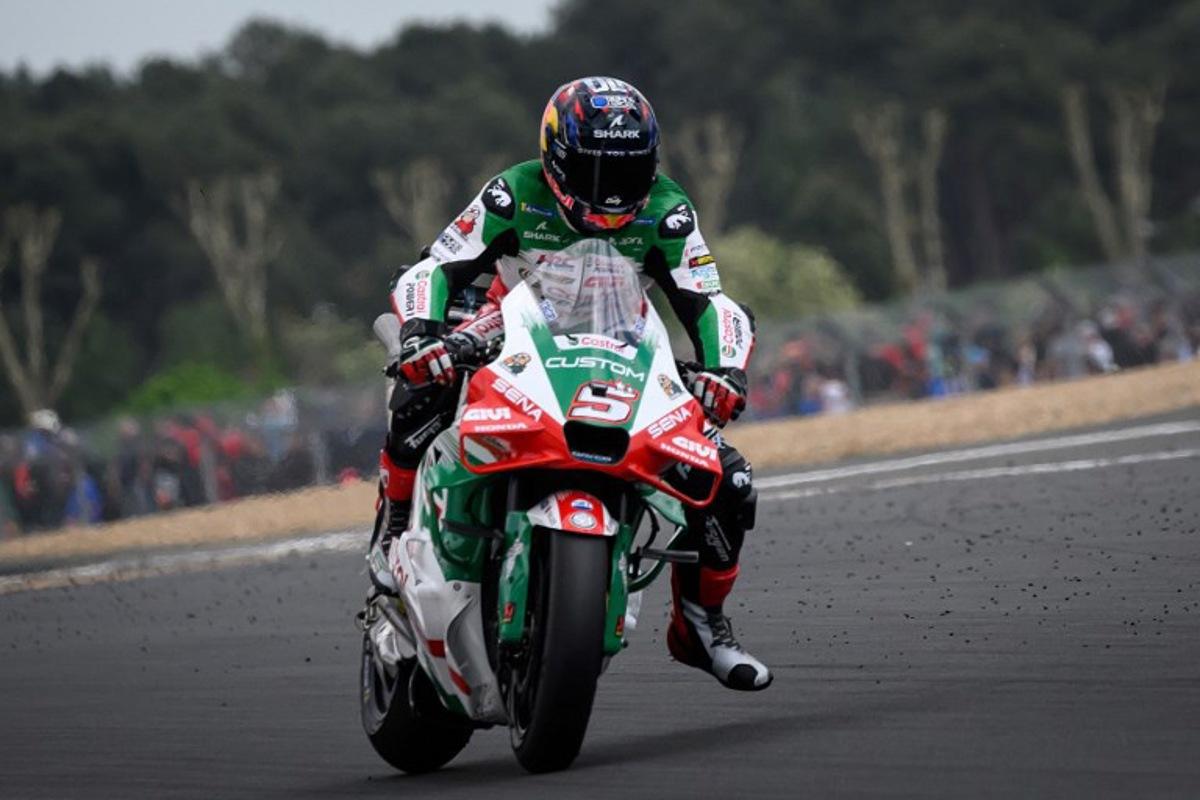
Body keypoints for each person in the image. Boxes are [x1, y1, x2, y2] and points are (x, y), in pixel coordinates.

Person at [368, 77, 770, 691]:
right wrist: (423, 334)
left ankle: (700, 625)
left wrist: (725, 370)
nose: (611, 192)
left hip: (622, 350)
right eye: (593, 171)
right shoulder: (512, 192)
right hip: (505, 331)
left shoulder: (670, 210)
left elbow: (709, 301)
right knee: (422, 390)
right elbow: (436, 265)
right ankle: (395, 527)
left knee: (730, 480)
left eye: (628, 172)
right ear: (556, 160)